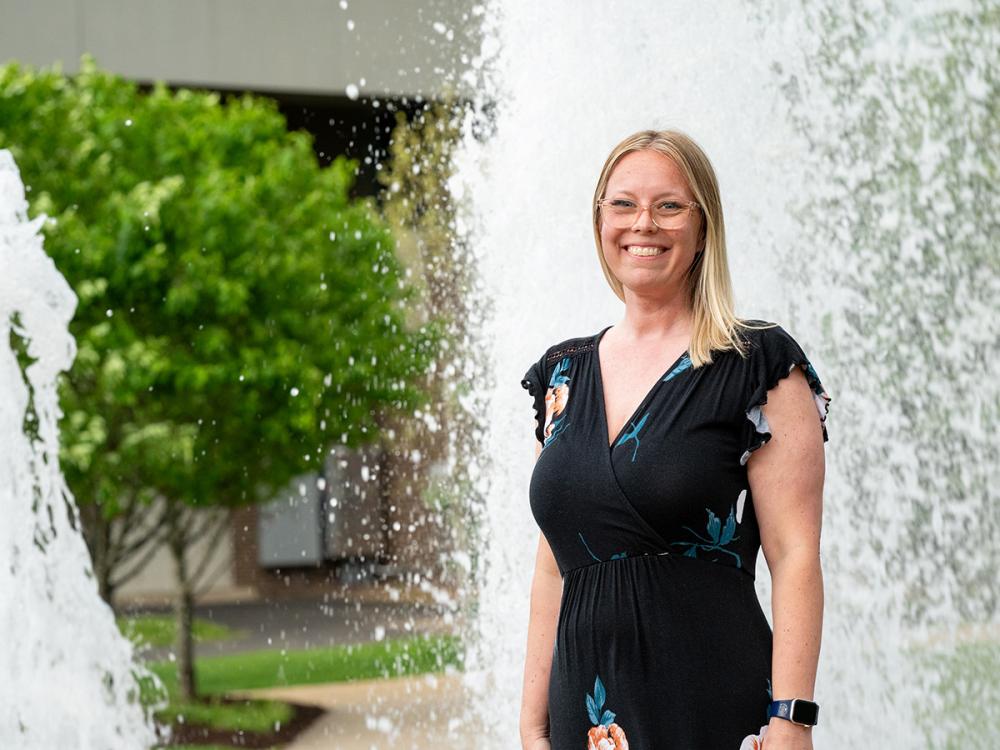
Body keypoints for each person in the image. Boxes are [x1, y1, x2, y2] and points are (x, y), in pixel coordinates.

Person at [518, 129, 830, 750]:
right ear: (600, 219)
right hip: (585, 715)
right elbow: (554, 563)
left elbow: (794, 554)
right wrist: (532, 724)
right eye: (624, 204)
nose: (644, 224)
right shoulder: (561, 377)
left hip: (711, 702)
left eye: (669, 205)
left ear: (703, 224)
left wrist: (791, 718)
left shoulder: (758, 364)